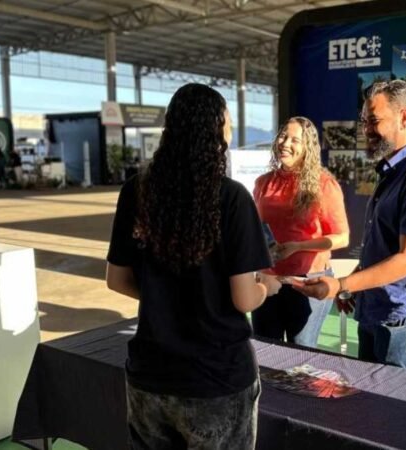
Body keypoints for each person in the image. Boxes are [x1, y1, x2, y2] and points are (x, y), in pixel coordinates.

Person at [105, 83, 281, 450]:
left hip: (149, 378)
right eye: (229, 122)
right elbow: (245, 299)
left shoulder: (136, 192)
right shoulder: (231, 198)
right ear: (216, 129)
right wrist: (268, 286)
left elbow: (117, 279)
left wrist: (165, 298)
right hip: (214, 380)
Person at [294, 80, 406, 375]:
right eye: (364, 121)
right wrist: (355, 286)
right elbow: (384, 248)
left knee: (400, 415)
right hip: (377, 312)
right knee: (373, 410)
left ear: (404, 118)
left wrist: (342, 285)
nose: (366, 129)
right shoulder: (393, 172)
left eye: (374, 121)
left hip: (404, 319)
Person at [252, 117, 349, 348]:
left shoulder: (324, 185)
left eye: (295, 139)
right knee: (265, 352)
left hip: (307, 282)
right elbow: (255, 228)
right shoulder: (263, 183)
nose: (285, 143)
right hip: (268, 280)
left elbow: (342, 237)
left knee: (300, 356)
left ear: (308, 148)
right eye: (283, 136)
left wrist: (297, 246)